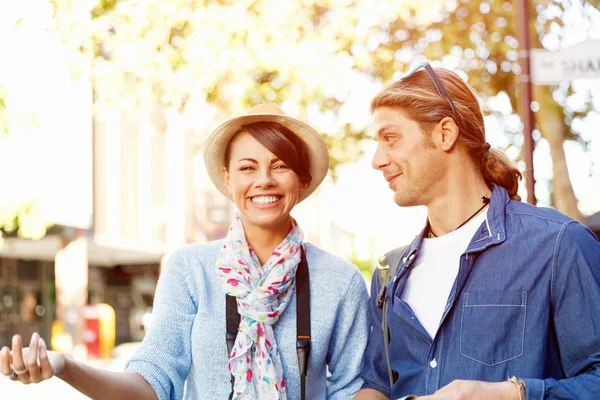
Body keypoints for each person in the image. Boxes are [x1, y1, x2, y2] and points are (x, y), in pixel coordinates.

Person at [1, 104, 369, 399]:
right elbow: (152, 383)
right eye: (247, 167)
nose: (264, 180)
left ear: (302, 181)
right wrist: (65, 366)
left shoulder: (341, 281)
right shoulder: (189, 269)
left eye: (280, 166)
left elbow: (354, 388)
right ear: (228, 179)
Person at [355, 62, 600, 400]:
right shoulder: (389, 272)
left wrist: (509, 394)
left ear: (444, 133)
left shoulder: (558, 244)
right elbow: (379, 384)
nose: (377, 160)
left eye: (391, 139)